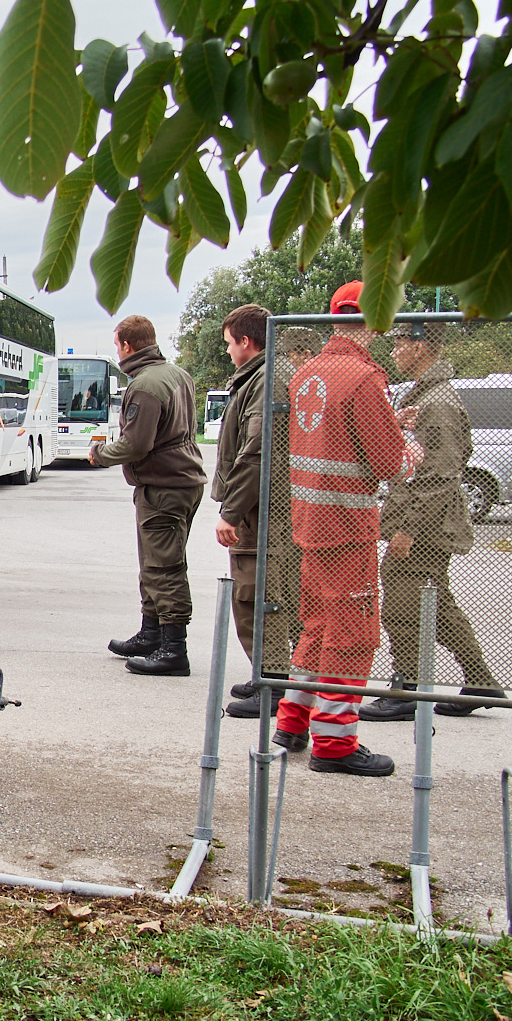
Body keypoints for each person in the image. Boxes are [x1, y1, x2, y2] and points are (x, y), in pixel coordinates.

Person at [277, 282, 420, 775]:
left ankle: (292, 721)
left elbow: (338, 435)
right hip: (348, 526)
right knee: (353, 633)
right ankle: (334, 745)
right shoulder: (364, 378)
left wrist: (387, 423)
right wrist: (408, 449)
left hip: (310, 523)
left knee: (316, 624)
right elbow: (385, 460)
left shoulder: (307, 373)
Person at [362, 320, 499, 722]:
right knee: (434, 603)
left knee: (405, 606)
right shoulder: (428, 395)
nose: (394, 350)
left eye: (401, 342)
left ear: (421, 347)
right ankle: (479, 681)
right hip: (424, 521)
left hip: (425, 526)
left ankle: (406, 689)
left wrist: (409, 530)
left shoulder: (438, 401)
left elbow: (441, 474)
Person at [93, 315, 207, 676]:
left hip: (165, 485)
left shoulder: (145, 384)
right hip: (181, 481)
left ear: (126, 346)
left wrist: (100, 455)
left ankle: (173, 648)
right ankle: (151, 633)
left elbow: (137, 443)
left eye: (117, 345)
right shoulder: (177, 374)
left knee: (164, 566)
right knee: (155, 562)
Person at [208, 306, 297, 720]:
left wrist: (232, 509)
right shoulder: (261, 377)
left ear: (247, 341)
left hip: (261, 512)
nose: (227, 352)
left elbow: (256, 451)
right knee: (256, 593)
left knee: (257, 595)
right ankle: (268, 674)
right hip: (259, 508)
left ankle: (274, 683)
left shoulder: (264, 380)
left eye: (229, 343)